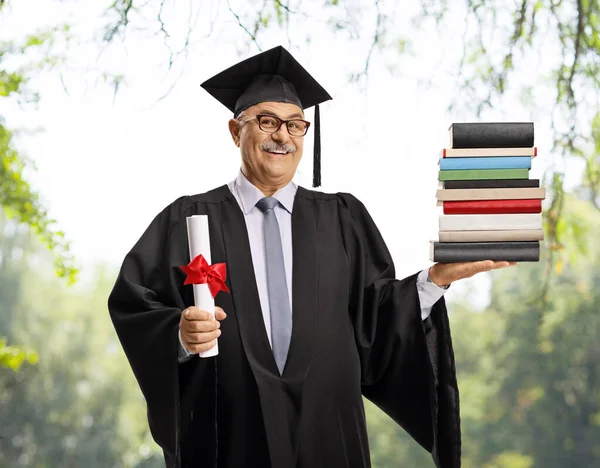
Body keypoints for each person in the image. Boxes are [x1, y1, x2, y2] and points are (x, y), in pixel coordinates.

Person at [108, 45, 513, 468]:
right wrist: (178, 335)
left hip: (328, 439)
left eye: (296, 124)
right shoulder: (189, 219)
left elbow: (377, 321)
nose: (282, 135)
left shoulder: (343, 219)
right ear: (235, 131)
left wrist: (435, 279)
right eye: (267, 122)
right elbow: (134, 304)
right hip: (228, 442)